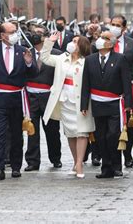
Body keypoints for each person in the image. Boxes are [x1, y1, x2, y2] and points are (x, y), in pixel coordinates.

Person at [0, 22, 37, 181]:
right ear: (2, 35)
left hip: (17, 98)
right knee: (0, 134)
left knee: (16, 134)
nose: (15, 34)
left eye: (16, 31)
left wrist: (28, 62)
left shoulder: (23, 51)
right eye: (11, 32)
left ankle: (16, 166)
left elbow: (33, 73)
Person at [40, 32, 93, 178]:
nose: (72, 43)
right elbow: (44, 58)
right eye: (72, 40)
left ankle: (80, 164)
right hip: (65, 100)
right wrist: (49, 42)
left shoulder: (87, 61)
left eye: (76, 41)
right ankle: (75, 162)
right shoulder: (62, 58)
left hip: (81, 101)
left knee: (81, 132)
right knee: (70, 133)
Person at [81, 31, 132, 178]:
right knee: (100, 136)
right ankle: (106, 167)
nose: (100, 40)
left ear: (111, 43)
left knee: (113, 135)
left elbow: (126, 82)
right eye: (100, 37)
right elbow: (86, 84)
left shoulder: (120, 59)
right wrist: (84, 104)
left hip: (114, 104)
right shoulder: (90, 60)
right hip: (98, 104)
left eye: (104, 38)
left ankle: (117, 166)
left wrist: (128, 104)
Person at [109, 14, 133, 169]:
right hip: (109, 89)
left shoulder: (132, 43)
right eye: (112, 24)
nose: (114, 27)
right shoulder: (104, 41)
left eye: (118, 25)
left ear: (124, 28)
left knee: (128, 124)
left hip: (128, 89)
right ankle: (112, 157)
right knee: (111, 126)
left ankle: (128, 154)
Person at [24, 27, 63, 171]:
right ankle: (32, 161)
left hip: (49, 96)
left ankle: (55, 158)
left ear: (46, 37)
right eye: (34, 32)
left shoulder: (57, 54)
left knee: (52, 130)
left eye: (39, 33)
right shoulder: (26, 52)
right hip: (31, 96)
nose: (35, 35)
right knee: (31, 130)